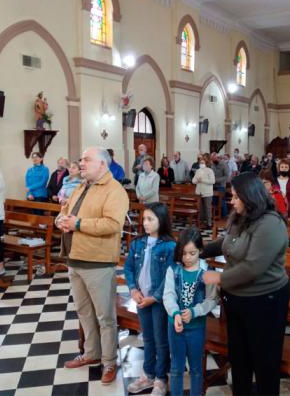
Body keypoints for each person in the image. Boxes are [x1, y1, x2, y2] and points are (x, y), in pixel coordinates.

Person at [200, 172, 289, 395]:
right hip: (237, 300)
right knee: (239, 358)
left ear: (250, 197)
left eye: (236, 197)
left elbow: (253, 267)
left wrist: (219, 278)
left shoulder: (271, 224)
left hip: (264, 302)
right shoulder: (242, 217)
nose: (232, 201)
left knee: (264, 361)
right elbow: (227, 243)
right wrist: (200, 250)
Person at [57, 147, 129, 385]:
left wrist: (77, 223)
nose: (82, 163)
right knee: (84, 312)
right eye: (81, 159)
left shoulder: (115, 191)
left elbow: (112, 224)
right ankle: (91, 354)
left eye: (87, 159)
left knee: (105, 316)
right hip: (74, 257)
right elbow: (66, 211)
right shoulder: (81, 185)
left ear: (103, 164)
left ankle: (109, 361)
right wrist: (61, 219)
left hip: (97, 261)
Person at [123, 202, 176, 396]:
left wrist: (154, 297)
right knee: (147, 337)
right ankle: (149, 374)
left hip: (159, 302)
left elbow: (170, 276)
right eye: (144, 218)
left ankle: (161, 378)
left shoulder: (170, 246)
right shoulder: (137, 243)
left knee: (161, 340)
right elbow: (129, 268)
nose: (145, 223)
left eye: (150, 219)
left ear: (161, 221)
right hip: (141, 299)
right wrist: (133, 290)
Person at [163, 227, 218, 396]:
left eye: (192, 253)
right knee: (177, 368)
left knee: (196, 369)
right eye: (184, 253)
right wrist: (175, 313)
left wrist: (195, 311)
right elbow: (168, 296)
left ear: (200, 251)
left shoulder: (207, 272)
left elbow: (212, 300)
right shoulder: (173, 270)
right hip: (175, 327)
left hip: (196, 328)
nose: (187, 258)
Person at [192, 153, 215, 228]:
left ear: (206, 163)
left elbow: (212, 181)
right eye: (200, 163)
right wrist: (197, 180)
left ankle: (209, 223)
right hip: (199, 192)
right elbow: (193, 180)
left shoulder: (210, 171)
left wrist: (203, 180)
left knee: (208, 208)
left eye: (203, 163)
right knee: (200, 209)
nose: (201, 164)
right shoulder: (198, 171)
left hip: (207, 193)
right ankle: (201, 222)